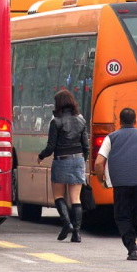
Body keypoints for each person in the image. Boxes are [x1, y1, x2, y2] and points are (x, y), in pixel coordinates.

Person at [94, 108, 137, 261]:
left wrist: (101, 180)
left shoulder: (111, 138)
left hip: (120, 183)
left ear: (119, 121)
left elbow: (99, 162)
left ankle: (132, 249)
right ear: (135, 120)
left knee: (122, 216)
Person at [38, 90, 90, 243]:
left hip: (61, 160)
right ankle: (77, 233)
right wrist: (82, 161)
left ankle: (67, 224)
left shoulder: (56, 121)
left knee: (59, 196)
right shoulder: (81, 120)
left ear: (58, 104)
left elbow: (51, 147)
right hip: (78, 160)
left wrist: (41, 156)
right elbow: (86, 146)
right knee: (75, 198)